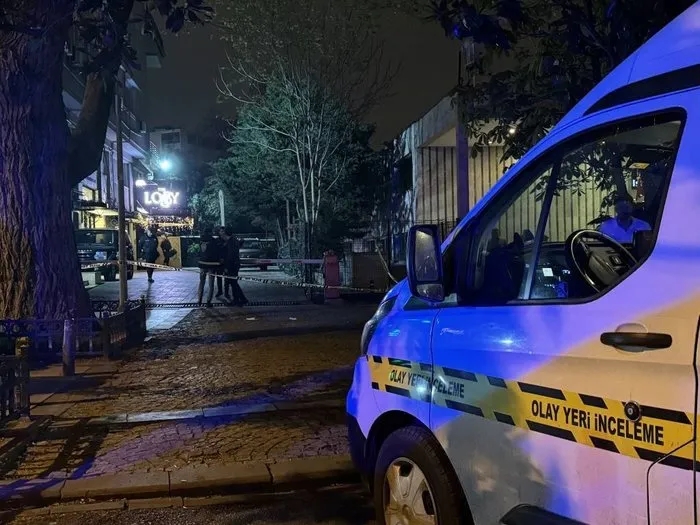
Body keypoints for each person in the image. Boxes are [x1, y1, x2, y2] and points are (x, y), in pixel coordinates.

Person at [222, 227, 249, 306]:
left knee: (233, 283)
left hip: (232, 266)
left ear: (226, 233)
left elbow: (230, 256)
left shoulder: (231, 242)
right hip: (235, 265)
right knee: (234, 283)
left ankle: (239, 299)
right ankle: (240, 299)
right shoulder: (234, 240)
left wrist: (227, 267)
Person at [197, 226, 220, 307]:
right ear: (210, 232)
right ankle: (208, 302)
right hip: (211, 265)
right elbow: (216, 253)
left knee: (201, 282)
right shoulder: (213, 241)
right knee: (211, 284)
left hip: (202, 264)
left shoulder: (201, 241)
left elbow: (200, 252)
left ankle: (199, 300)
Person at [214, 226, 226, 299]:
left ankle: (226, 292)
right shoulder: (217, 240)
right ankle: (220, 290)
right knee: (219, 277)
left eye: (223, 231)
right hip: (219, 261)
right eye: (221, 231)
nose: (222, 232)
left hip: (226, 261)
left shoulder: (227, 240)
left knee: (227, 277)